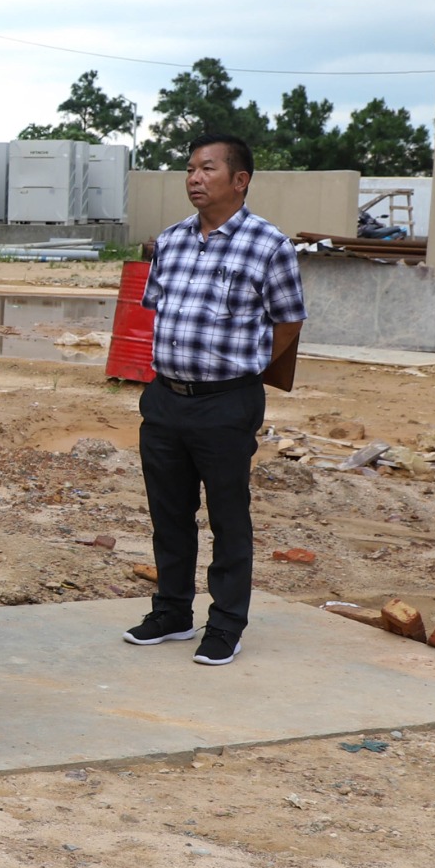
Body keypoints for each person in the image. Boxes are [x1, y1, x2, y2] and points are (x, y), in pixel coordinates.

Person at [124, 133, 306, 667]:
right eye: (189, 170)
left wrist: (244, 366)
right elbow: (158, 309)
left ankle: (226, 623)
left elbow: (288, 320)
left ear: (240, 180)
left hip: (226, 403)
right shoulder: (172, 241)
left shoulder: (268, 246)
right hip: (165, 400)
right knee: (169, 513)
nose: (194, 179)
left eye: (206, 169)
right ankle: (172, 612)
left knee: (228, 516)